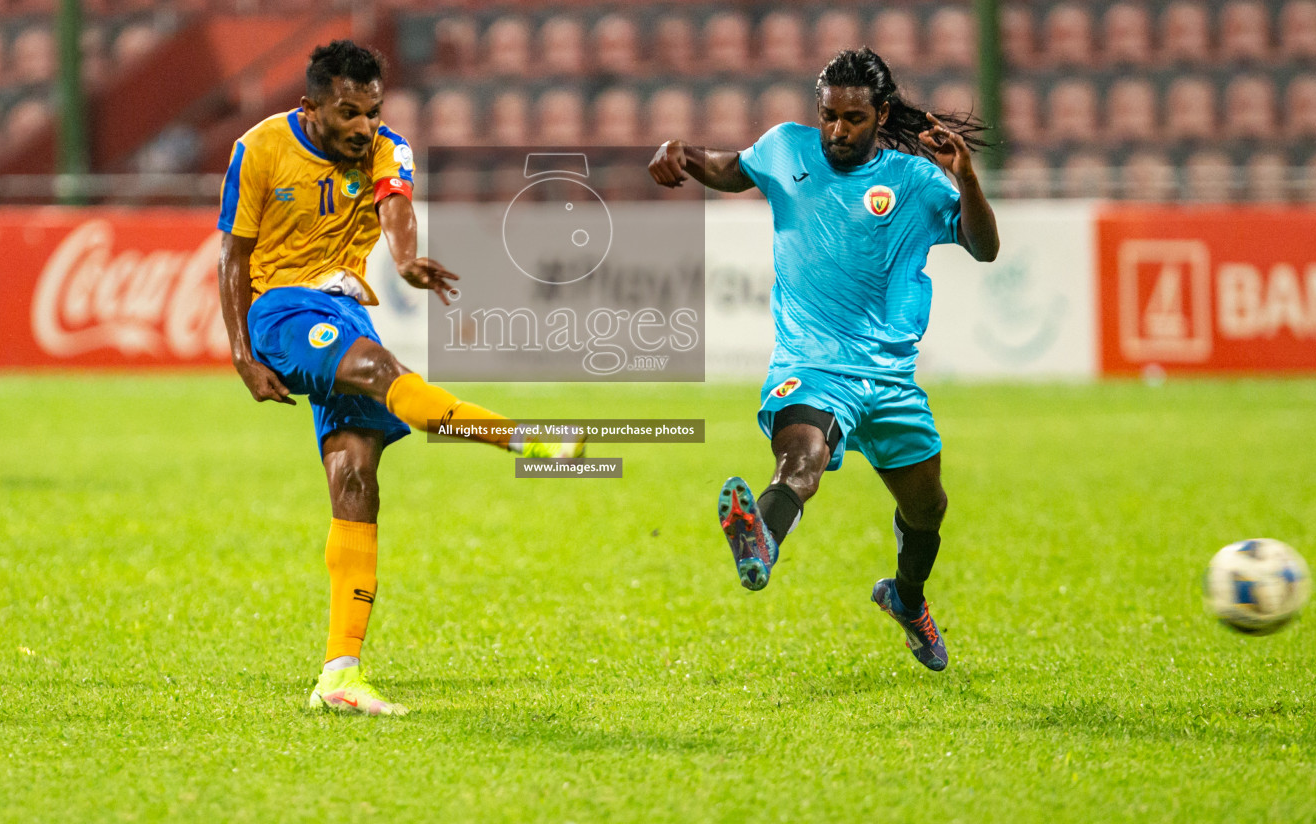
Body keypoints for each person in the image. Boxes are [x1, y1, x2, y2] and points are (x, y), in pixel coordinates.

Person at [217, 40, 583, 717]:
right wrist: (243, 354)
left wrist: (407, 257)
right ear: (313, 107)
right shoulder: (261, 148)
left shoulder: (388, 147)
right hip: (283, 305)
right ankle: (520, 438)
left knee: (356, 479)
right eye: (349, 113)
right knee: (381, 372)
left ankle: (339, 674)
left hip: (347, 306)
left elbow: (395, 206)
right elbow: (233, 257)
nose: (363, 126)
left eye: (373, 111)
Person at [647, 48, 999, 672]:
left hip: (890, 378)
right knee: (801, 465)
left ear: (881, 113)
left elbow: (984, 247)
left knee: (928, 509)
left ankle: (907, 598)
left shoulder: (916, 184)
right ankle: (762, 542)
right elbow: (732, 171)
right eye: (828, 116)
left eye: (853, 119)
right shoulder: (787, 149)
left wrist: (965, 177)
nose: (836, 130)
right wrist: (684, 153)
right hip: (809, 365)